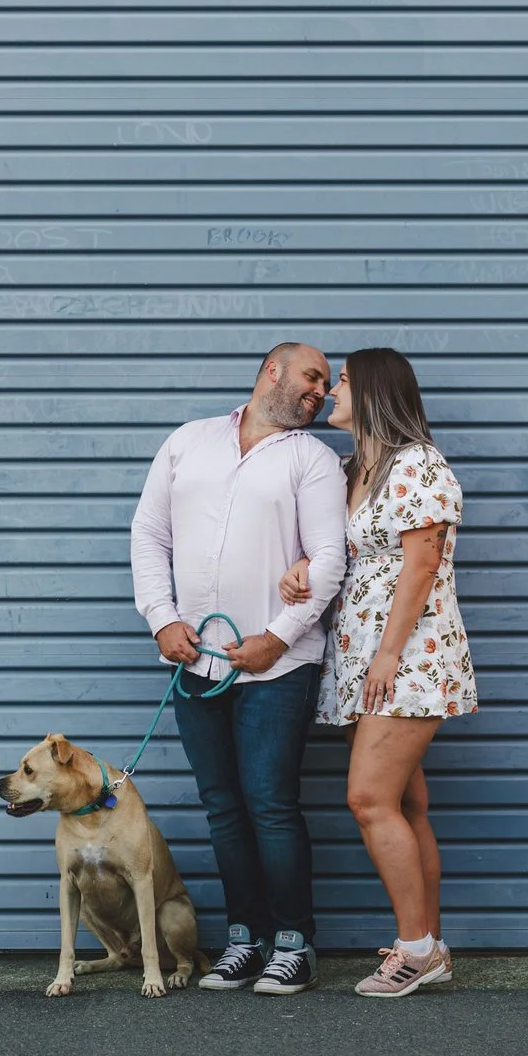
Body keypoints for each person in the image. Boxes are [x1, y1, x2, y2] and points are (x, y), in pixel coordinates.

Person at [130, 342, 347, 995]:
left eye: (329, 386)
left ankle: (293, 943)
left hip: (278, 668)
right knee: (223, 806)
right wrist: (162, 618)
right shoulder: (188, 442)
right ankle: (244, 939)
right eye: (313, 378)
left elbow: (330, 558)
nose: (322, 392)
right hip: (198, 663)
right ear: (273, 371)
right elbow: (148, 534)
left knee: (270, 804)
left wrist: (277, 640)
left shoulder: (313, 459)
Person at [280, 347, 476, 998]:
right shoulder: (351, 468)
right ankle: (431, 945)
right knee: (405, 801)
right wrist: (305, 568)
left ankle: (415, 947)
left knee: (367, 798)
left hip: (409, 657)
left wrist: (389, 654)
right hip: (365, 657)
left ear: (373, 392)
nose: (330, 390)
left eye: (341, 380)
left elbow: (421, 565)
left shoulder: (417, 464)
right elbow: (343, 552)